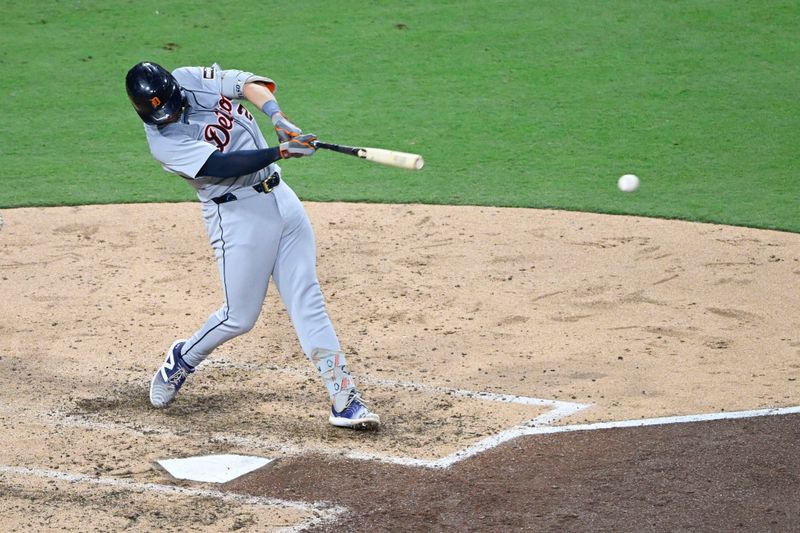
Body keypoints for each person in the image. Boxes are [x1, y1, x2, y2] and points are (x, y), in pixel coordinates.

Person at [125, 61, 379, 430]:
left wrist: (278, 119)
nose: (169, 116)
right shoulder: (164, 144)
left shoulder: (190, 79)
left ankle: (344, 399)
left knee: (308, 299)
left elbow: (247, 85)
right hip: (238, 218)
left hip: (282, 198)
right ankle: (183, 358)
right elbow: (223, 165)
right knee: (238, 317)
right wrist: (281, 151)